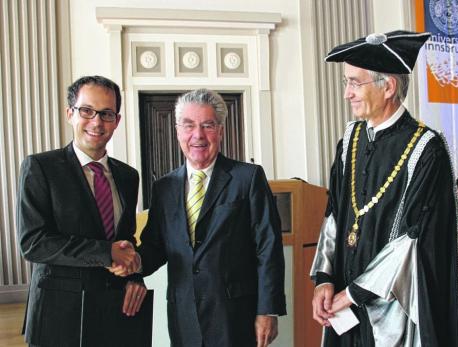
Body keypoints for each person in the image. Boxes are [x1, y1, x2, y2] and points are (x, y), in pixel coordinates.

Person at [310, 30, 458, 347]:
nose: (347, 94)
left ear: (389, 88)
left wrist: (354, 293)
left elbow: (415, 240)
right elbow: (335, 215)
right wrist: (324, 279)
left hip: (395, 314)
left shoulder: (426, 149)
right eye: (347, 82)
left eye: (355, 83)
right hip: (343, 307)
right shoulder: (350, 142)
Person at [137, 88, 286, 346]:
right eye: (189, 125)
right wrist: (131, 263)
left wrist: (267, 310)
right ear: (177, 131)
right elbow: (155, 247)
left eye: (208, 125)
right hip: (184, 315)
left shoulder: (248, 178)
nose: (198, 135)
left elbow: (268, 246)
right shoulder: (164, 188)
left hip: (235, 314)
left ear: (221, 131)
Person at [18, 75, 146, 347]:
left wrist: (134, 275)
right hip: (60, 315)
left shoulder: (128, 176)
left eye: (107, 113)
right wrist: (105, 252)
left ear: (117, 121)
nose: (97, 122)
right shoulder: (41, 168)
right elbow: (33, 243)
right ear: (70, 114)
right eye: (87, 110)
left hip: (116, 311)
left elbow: (126, 240)